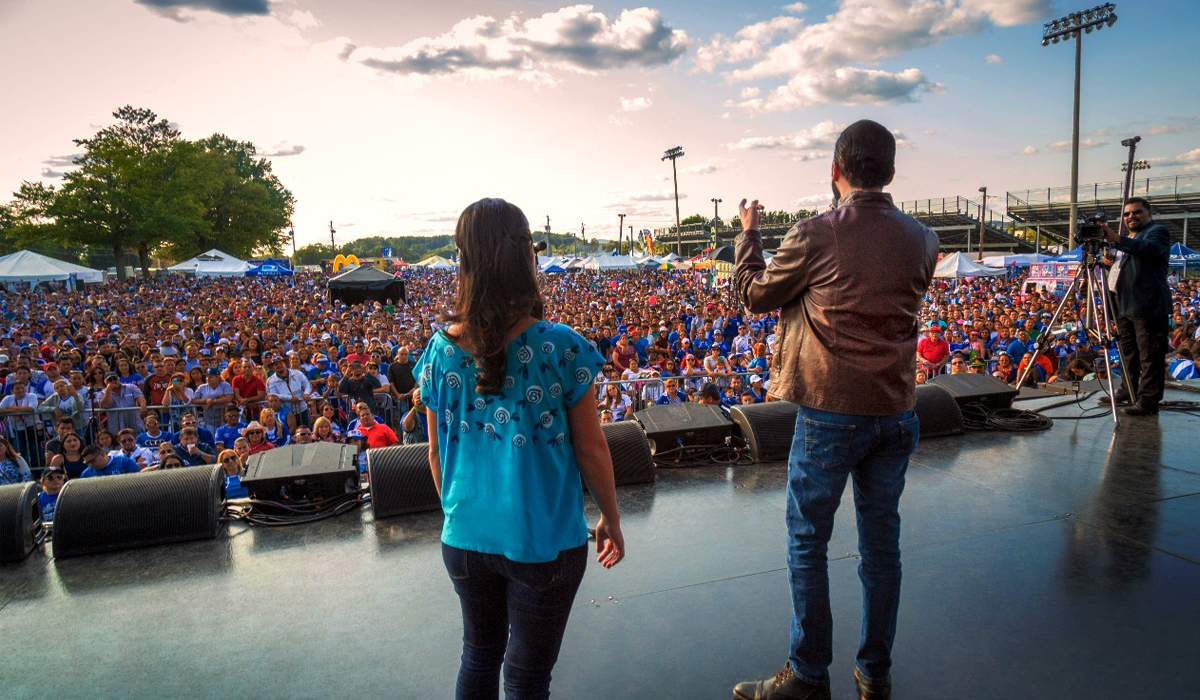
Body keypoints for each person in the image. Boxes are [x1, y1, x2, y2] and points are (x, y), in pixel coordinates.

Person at [733, 120, 937, 700]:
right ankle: (875, 672)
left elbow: (754, 295)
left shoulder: (815, 233)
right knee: (881, 545)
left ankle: (807, 674)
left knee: (807, 541)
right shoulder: (924, 239)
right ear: (892, 173)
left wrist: (749, 235)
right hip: (897, 409)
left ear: (834, 171)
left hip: (829, 411)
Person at [414, 198, 623, 700]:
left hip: (463, 537)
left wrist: (457, 514)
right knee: (527, 676)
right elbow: (592, 448)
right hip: (542, 538)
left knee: (478, 656)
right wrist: (611, 517)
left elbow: (435, 454)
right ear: (526, 256)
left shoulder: (439, 352)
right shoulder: (562, 347)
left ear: (464, 261)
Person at [1101, 197, 1173, 415]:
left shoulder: (1156, 231)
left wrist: (1117, 238)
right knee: (1127, 351)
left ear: (1149, 213)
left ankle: (1148, 400)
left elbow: (1149, 250)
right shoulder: (1129, 239)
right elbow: (1128, 267)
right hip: (1122, 301)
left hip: (1146, 303)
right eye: (1126, 214)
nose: (1130, 217)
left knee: (1150, 354)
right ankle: (1127, 389)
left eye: (1136, 212)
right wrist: (1110, 264)